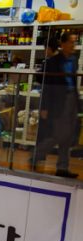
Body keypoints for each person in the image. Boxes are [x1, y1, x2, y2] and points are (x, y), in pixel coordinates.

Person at [33, 30, 81, 179]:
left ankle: (62, 167)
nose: (73, 45)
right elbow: (47, 85)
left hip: (71, 98)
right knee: (60, 135)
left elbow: (72, 81)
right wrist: (44, 106)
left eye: (75, 42)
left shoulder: (73, 60)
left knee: (68, 135)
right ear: (63, 43)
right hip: (59, 101)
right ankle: (37, 155)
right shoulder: (53, 61)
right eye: (71, 42)